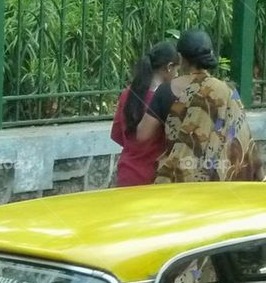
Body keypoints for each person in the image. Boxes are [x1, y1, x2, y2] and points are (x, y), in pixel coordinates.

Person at [136, 28, 263, 182]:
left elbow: (142, 136)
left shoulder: (166, 90)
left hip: (177, 180)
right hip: (217, 183)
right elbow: (242, 137)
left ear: (181, 58)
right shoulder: (226, 91)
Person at [110, 41, 179, 186]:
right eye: (176, 70)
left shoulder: (127, 94)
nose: (177, 75)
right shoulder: (167, 98)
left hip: (126, 173)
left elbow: (116, 134)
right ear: (169, 67)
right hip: (153, 178)